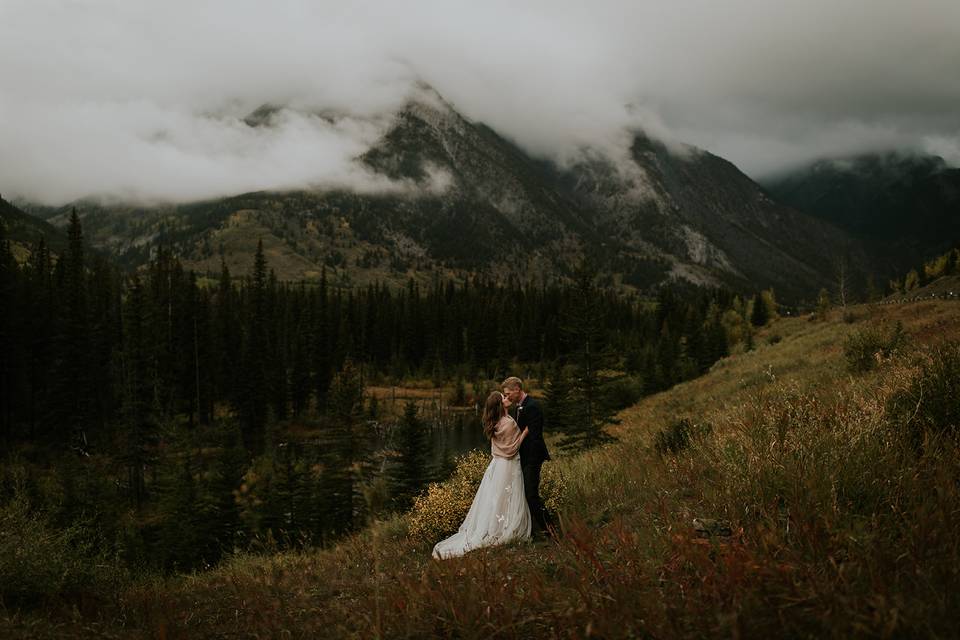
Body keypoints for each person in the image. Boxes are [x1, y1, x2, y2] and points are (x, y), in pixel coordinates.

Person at [432, 391, 532, 559]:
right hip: (507, 465)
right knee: (507, 496)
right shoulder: (506, 423)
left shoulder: (497, 422)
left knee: (497, 498)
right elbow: (512, 449)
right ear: (500, 405)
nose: (507, 399)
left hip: (497, 465)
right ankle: (503, 529)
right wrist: (524, 433)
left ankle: (496, 526)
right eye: (504, 398)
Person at [502, 376, 552, 536]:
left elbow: (535, 436)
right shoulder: (519, 407)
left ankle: (549, 529)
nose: (507, 396)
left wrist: (529, 461)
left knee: (531, 494)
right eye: (505, 394)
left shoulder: (532, 406)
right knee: (526, 494)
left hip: (532, 457)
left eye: (509, 393)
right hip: (523, 458)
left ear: (517, 388)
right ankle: (534, 529)